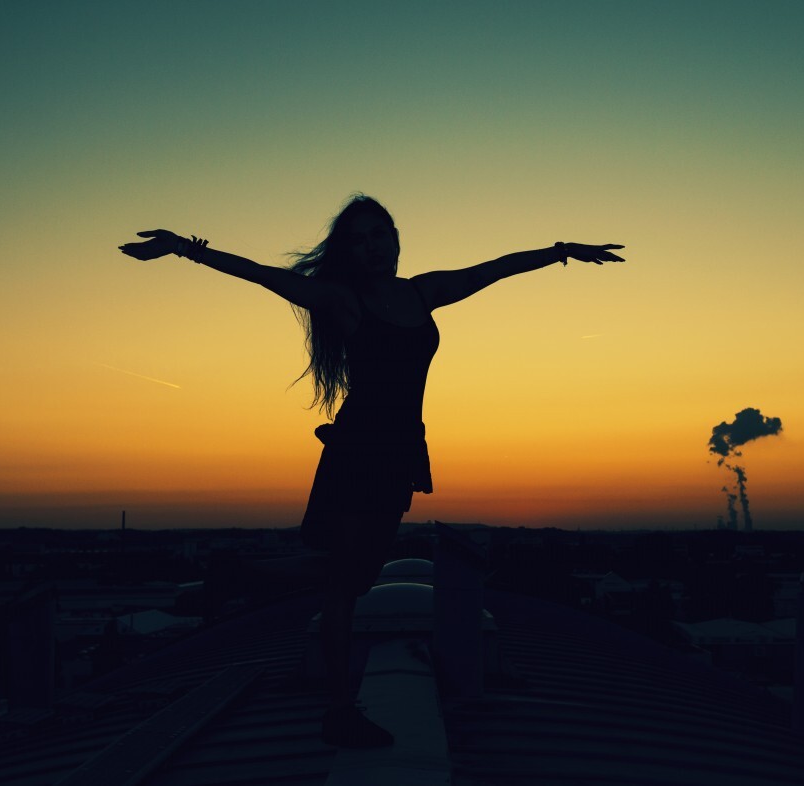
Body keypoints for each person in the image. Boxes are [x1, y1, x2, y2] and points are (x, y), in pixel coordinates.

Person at [119, 194, 624, 747]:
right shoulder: (340, 299)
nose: (370, 247)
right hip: (358, 450)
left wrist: (561, 253)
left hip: (400, 451)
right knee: (344, 585)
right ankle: (338, 708)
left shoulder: (421, 291)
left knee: (355, 574)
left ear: (394, 236)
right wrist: (186, 251)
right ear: (347, 252)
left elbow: (492, 270)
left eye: (377, 234)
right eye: (357, 240)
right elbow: (263, 276)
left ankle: (243, 574)